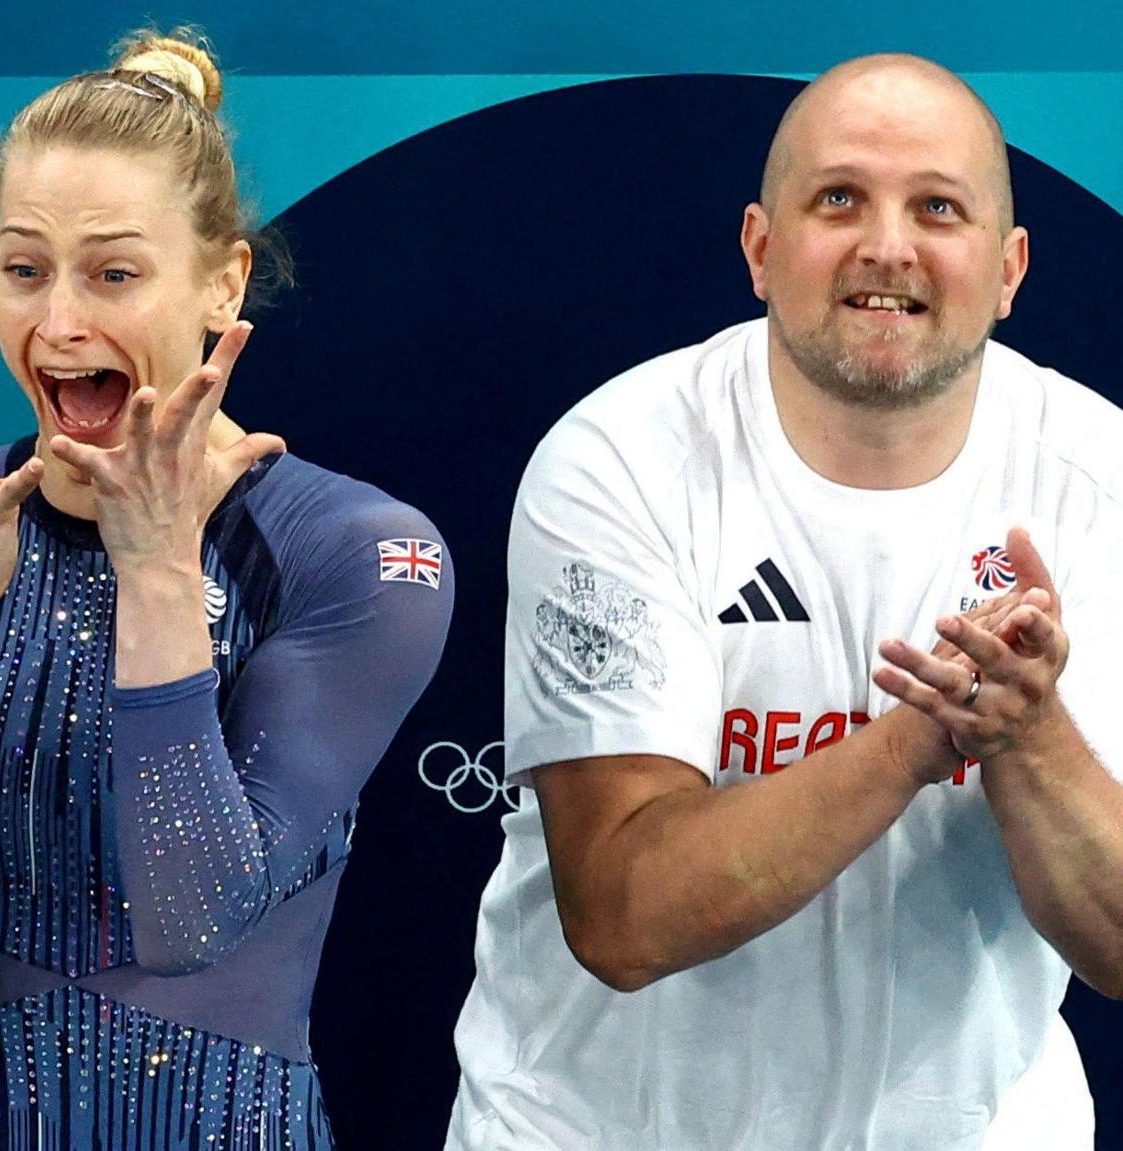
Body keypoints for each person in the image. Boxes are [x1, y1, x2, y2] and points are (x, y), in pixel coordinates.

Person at [448, 54, 1123, 1150]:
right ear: (761, 250)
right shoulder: (619, 461)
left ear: (1008, 269)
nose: (886, 246)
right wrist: (919, 738)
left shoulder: (1098, 476)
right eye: (838, 198)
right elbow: (624, 915)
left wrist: (1030, 735)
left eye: (936, 207)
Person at [0, 30, 454, 1150]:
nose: (58, 323)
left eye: (112, 272)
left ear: (222, 280)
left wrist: (157, 573)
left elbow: (191, 915)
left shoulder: (353, 552)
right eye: (23, 268)